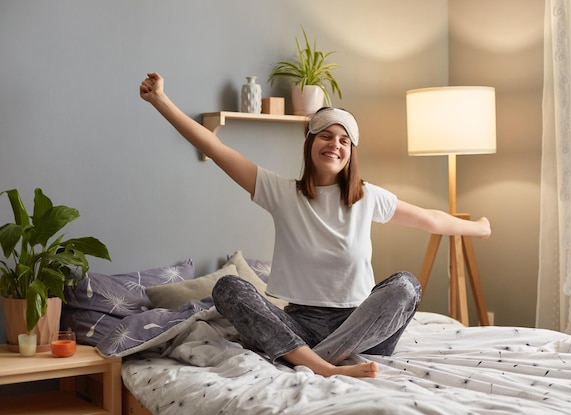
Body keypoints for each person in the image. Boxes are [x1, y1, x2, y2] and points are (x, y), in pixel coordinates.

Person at [139, 72, 491, 379]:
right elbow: (215, 148)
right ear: (310, 143)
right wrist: (160, 100)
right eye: (325, 136)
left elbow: (430, 219)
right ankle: (327, 366)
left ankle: (314, 362)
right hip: (300, 326)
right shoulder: (280, 192)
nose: (334, 145)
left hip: (363, 329)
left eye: (343, 140)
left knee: (407, 286)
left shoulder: (368, 197)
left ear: (351, 151)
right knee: (229, 287)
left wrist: (479, 228)